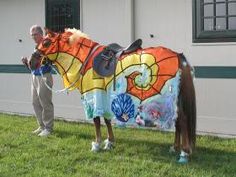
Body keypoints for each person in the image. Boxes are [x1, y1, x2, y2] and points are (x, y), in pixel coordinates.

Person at [21, 25, 54, 137]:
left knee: (45, 102)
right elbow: (34, 66)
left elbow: (50, 60)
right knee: (35, 102)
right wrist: (27, 63)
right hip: (34, 76)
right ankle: (42, 126)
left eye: (35, 34)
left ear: (41, 34)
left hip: (44, 76)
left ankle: (48, 128)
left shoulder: (47, 44)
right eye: (32, 35)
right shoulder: (36, 47)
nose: (33, 37)